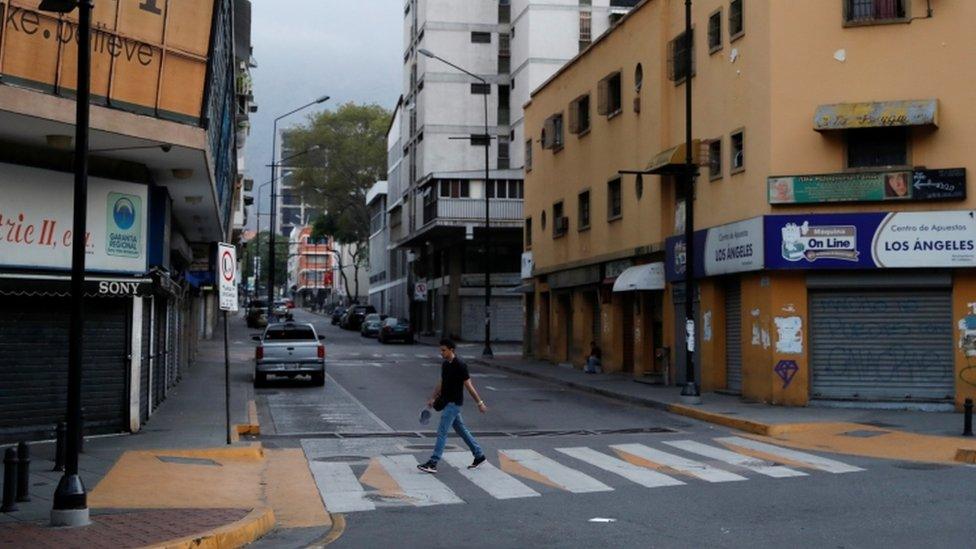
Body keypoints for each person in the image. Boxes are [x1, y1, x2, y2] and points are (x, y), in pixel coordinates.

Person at [417, 339, 488, 474]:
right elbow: (442, 382)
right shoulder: (445, 365)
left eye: (444, 350)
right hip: (446, 402)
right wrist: (432, 397)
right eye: (441, 350)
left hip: (454, 404)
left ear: (451, 350)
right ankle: (479, 455)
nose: (441, 353)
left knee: (442, 432)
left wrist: (480, 403)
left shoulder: (460, 365)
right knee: (461, 430)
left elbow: (469, 386)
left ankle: (433, 462)